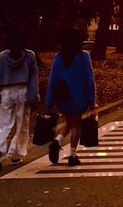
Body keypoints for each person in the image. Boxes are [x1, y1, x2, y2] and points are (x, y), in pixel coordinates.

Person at [0, 30, 39, 171]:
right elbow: (33, 78)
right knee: (22, 124)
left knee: (4, 124)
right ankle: (16, 154)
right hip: (23, 91)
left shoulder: (3, 56)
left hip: (6, 92)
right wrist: (34, 97)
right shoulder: (29, 55)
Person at [45, 27, 97, 167]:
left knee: (69, 123)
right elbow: (89, 78)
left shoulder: (59, 58)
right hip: (79, 96)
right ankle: (72, 154)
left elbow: (53, 80)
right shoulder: (83, 56)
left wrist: (49, 100)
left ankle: (57, 140)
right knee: (76, 125)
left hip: (63, 96)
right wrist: (92, 99)